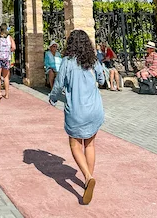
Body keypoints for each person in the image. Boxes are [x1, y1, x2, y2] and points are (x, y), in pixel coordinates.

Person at [49, 30, 105, 206]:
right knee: (90, 144)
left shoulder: (67, 62)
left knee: (74, 144)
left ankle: (88, 177)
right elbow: (102, 79)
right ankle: (88, 179)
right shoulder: (93, 60)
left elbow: (58, 84)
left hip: (76, 110)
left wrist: (53, 98)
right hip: (95, 109)